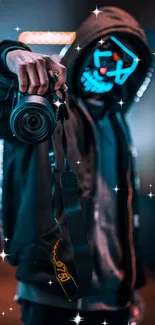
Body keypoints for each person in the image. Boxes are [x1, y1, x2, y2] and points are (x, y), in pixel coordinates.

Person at [0, 6, 153, 325]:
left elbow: (123, 208)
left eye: (124, 64)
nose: (109, 71)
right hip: (51, 297)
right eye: (106, 56)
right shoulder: (41, 106)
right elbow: (6, 93)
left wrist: (132, 283)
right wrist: (11, 56)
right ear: (87, 48)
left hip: (114, 302)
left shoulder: (116, 124)